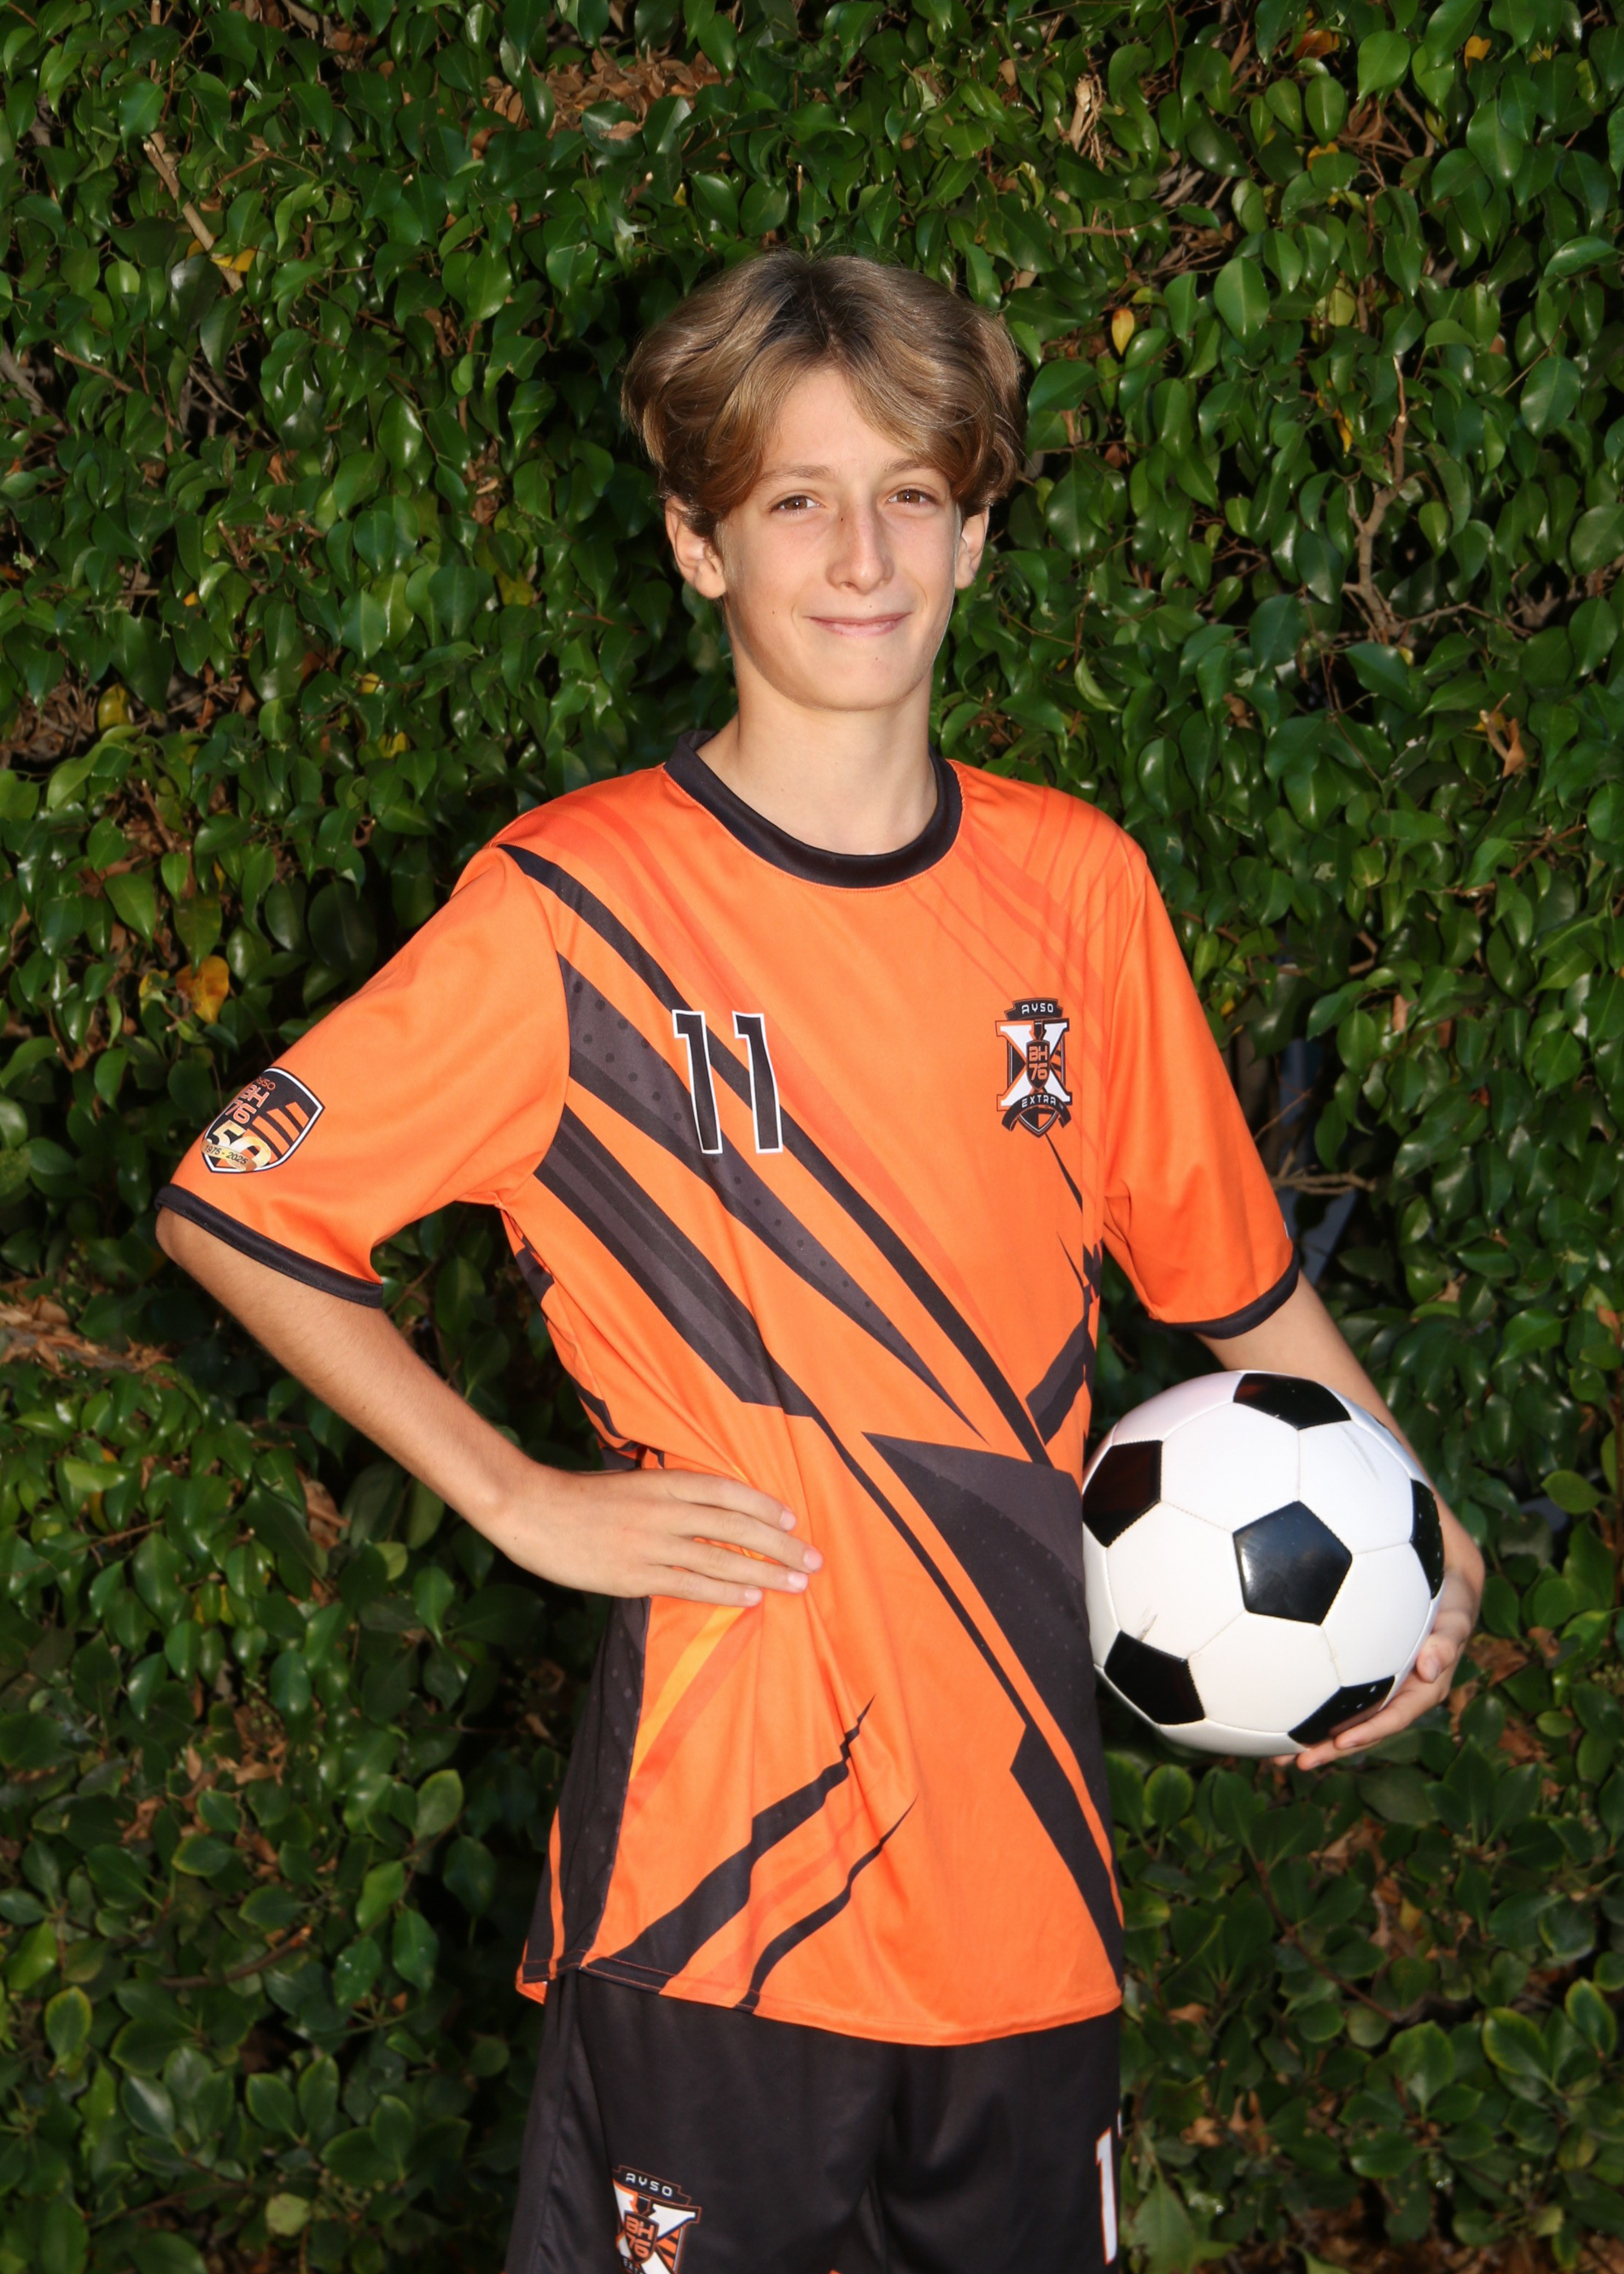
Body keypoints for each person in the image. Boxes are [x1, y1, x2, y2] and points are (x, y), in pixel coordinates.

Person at [156, 250, 1484, 2274]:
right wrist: (518, 1497)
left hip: (1027, 1887)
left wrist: (1416, 1523)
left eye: (911, 496)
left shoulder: (1077, 887)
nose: (861, 554)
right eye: (795, 498)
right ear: (697, 545)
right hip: (719, 1897)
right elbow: (238, 1202)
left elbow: (1232, 1284)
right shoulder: (576, 906)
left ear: (976, 532)